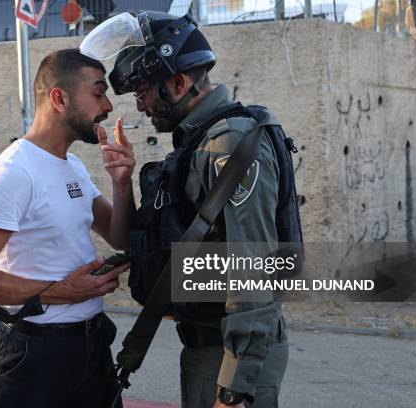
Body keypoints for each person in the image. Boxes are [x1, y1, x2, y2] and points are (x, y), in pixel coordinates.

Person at [81, 12, 302, 408]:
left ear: (179, 83)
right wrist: (122, 178)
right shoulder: (202, 141)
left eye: (144, 91)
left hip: (228, 356)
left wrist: (234, 389)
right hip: (209, 347)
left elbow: (253, 266)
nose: (141, 105)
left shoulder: (228, 144)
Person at [0, 48, 136, 408]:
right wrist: (59, 291)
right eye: (98, 92)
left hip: (90, 347)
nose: (108, 105)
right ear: (59, 98)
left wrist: (122, 182)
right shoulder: (15, 172)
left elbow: (119, 235)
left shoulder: (74, 166)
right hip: (30, 355)